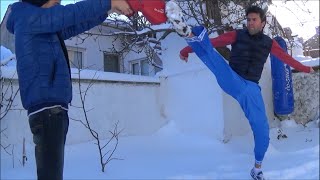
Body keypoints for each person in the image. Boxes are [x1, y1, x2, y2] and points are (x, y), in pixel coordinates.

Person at [166, 3, 315, 180]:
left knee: (262, 130)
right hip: (231, 78)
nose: (250, 23)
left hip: (251, 89)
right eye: (248, 20)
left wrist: (306, 69)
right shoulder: (237, 35)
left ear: (263, 23)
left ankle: (257, 168)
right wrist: (186, 49)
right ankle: (190, 34)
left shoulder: (269, 43)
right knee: (215, 59)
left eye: (254, 20)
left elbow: (287, 59)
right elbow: (213, 43)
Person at [6, 0, 133, 179]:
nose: (59, 5)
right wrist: (108, 1)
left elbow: (76, 23)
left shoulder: (41, 24)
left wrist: (108, 10)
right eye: (55, 2)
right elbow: (70, 14)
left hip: (52, 110)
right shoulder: (28, 18)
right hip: (47, 111)